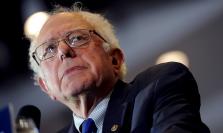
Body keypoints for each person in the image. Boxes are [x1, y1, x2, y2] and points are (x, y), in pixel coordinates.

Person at [27, 4, 210, 133]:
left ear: (115, 59)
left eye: (77, 38)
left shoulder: (158, 87)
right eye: (49, 49)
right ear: (46, 87)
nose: (63, 51)